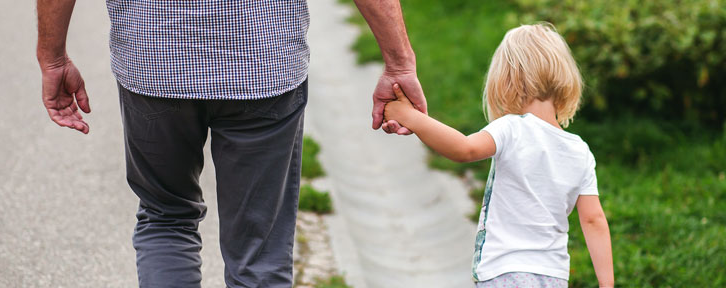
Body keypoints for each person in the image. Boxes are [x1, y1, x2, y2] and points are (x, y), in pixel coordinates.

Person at [35, 0, 426, 287]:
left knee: (166, 218)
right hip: (263, 62)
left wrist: (53, 57)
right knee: (260, 254)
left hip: (153, 62)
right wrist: (398, 62)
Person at [384, 23, 615, 288]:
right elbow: (593, 219)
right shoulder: (579, 150)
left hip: (506, 272)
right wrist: (606, 284)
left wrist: (409, 116)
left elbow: (463, 149)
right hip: (553, 276)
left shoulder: (512, 128)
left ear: (507, 81)